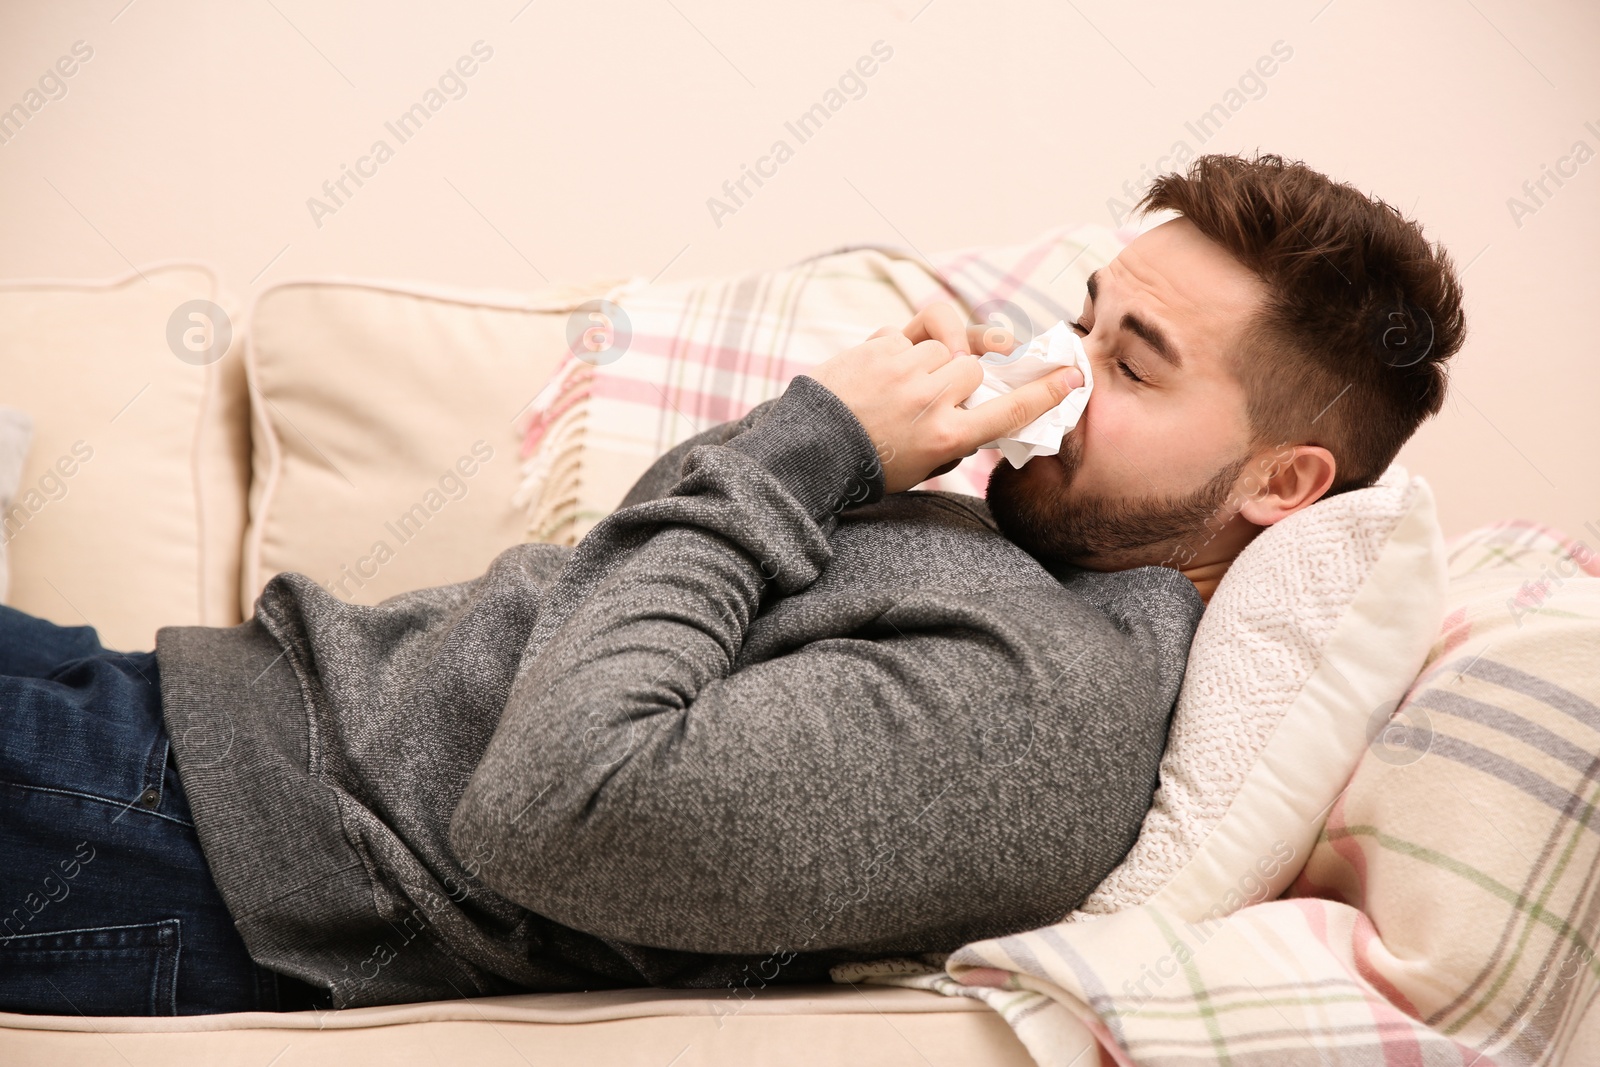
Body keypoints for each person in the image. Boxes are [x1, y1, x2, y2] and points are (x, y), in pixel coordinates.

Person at [0, 152, 1465, 1016]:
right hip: (179, 714)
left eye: (1135, 362)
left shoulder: (1047, 715)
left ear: (1283, 485)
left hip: (198, 847)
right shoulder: (1013, 561)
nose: (1058, 372)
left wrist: (810, 439)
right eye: (1088, 319)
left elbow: (557, 804)